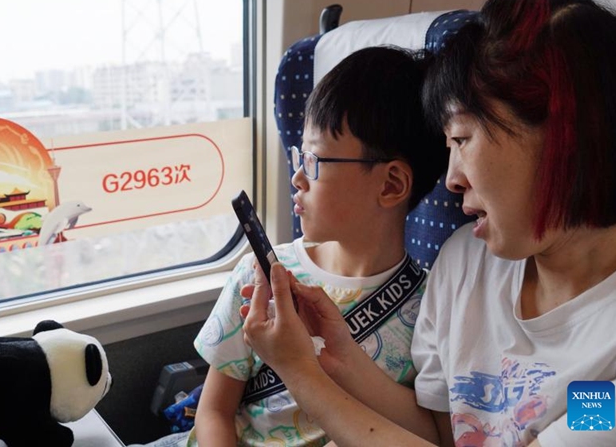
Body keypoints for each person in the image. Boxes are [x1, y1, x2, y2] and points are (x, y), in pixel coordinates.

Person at [241, 0, 616, 447]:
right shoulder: (465, 262)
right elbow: (441, 432)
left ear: (565, 132)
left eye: (463, 139)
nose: (451, 179)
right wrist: (336, 353)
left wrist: (300, 374)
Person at [142, 46, 447, 447]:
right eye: (297, 156)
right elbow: (214, 411)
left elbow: (425, 435)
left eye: (315, 161)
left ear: (390, 185)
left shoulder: (428, 312)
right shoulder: (264, 275)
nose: (297, 177)